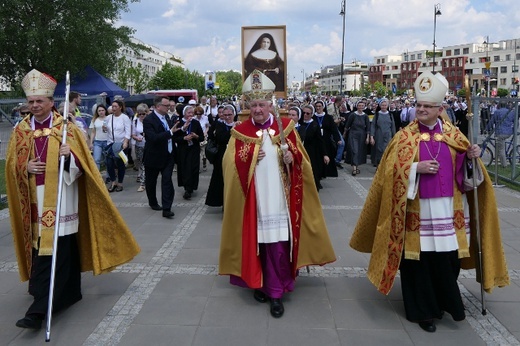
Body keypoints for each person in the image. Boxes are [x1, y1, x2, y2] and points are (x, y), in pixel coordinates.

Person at [349, 71, 509, 333]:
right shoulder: (404, 138)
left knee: (447, 261)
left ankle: (445, 303)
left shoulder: (455, 136)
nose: (421, 110)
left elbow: (468, 180)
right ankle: (423, 312)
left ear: (440, 109)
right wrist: (414, 169)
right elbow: (388, 174)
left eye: (427, 106)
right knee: (418, 263)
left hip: (449, 210)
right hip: (418, 212)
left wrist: (471, 158)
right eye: (418, 105)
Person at [6, 69, 140, 330]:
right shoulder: (20, 130)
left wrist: (71, 157)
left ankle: (39, 311)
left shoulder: (67, 129)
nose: (34, 106)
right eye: (31, 102)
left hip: (61, 198)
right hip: (33, 199)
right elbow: (12, 164)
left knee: (57, 248)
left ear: (50, 103)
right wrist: (24, 168)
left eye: (39, 101)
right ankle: (64, 292)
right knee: (42, 248)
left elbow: (86, 166)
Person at [219, 70, 336, 318]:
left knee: (279, 246)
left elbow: (303, 163)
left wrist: (290, 157)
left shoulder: (286, 129)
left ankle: (276, 292)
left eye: (262, 104)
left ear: (271, 105)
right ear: (248, 106)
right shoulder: (240, 131)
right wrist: (249, 157)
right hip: (255, 200)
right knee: (258, 243)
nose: (258, 110)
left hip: (280, 201)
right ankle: (260, 283)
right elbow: (227, 165)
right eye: (254, 105)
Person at [142, 96, 178, 218]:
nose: (169, 107)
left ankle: (167, 208)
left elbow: (171, 133)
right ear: (158, 106)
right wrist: (170, 133)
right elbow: (153, 138)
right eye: (166, 105)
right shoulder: (148, 120)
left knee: (167, 180)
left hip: (168, 155)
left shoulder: (166, 117)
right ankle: (152, 202)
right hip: (153, 156)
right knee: (151, 182)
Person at [205, 105, 240, 207]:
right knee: (221, 180)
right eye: (225, 115)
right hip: (222, 155)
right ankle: (224, 203)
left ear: (234, 114)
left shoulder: (239, 124)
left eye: (230, 115)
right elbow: (221, 138)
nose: (227, 117)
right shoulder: (219, 125)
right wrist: (232, 130)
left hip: (236, 155)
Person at [173, 104, 204, 200]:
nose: (191, 114)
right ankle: (187, 188)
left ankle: (192, 187)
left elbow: (202, 137)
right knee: (185, 168)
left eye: (192, 113)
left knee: (194, 168)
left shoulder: (195, 123)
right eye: (189, 112)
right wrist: (184, 138)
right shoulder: (178, 123)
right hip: (183, 149)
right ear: (184, 113)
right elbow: (175, 138)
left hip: (194, 148)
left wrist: (196, 136)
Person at [299, 104, 330, 190]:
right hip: (300, 150)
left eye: (308, 113)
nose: (305, 115)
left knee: (312, 169)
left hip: (311, 151)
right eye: (304, 113)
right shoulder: (299, 123)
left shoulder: (314, 125)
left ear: (312, 114)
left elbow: (320, 140)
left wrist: (325, 154)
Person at [105, 99, 131, 192]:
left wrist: (125, 142)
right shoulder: (109, 118)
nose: (114, 108)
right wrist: (104, 129)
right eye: (113, 106)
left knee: (120, 164)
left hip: (121, 144)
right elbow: (106, 130)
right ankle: (113, 182)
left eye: (116, 106)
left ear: (120, 107)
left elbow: (128, 131)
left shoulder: (125, 118)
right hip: (110, 143)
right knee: (109, 163)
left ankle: (120, 183)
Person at [313, 100, 340, 178]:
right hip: (316, 140)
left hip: (326, 139)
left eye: (320, 106)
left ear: (323, 107)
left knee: (327, 155)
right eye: (317, 106)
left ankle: (326, 172)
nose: (318, 108)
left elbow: (334, 129)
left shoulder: (328, 117)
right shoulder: (313, 117)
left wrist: (337, 139)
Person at [344, 100, 370, 175]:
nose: (360, 107)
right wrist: (344, 134)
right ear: (357, 106)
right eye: (359, 106)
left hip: (362, 135)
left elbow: (368, 128)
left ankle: (356, 166)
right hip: (353, 134)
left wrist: (367, 137)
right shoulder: (353, 115)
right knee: (354, 150)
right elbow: (347, 125)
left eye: (362, 106)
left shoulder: (365, 116)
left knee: (359, 151)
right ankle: (354, 169)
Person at [486, 102, 514, 167]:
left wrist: (486, 129)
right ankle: (497, 160)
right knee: (499, 145)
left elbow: (492, 121)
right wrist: (513, 130)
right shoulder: (510, 112)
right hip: (508, 132)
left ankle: (504, 165)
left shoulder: (497, 112)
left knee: (501, 149)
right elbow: (515, 121)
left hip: (500, 132)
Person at [369, 99, 396, 168]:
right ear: (380, 106)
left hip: (388, 135)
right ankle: (379, 166)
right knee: (379, 150)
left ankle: (385, 166)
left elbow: (393, 126)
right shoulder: (377, 114)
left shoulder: (390, 115)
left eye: (385, 105)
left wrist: (394, 137)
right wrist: (372, 137)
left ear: (387, 106)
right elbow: (373, 126)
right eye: (382, 105)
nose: (384, 107)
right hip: (379, 135)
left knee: (387, 150)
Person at [132, 103, 148, 192]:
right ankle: (144, 180)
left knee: (145, 164)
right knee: (141, 163)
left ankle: (143, 183)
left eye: (143, 114)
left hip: (148, 145)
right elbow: (133, 134)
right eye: (139, 114)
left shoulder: (149, 121)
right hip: (139, 145)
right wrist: (136, 138)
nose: (141, 115)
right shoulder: (135, 121)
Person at [89, 104, 109, 170]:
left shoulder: (109, 118)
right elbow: (93, 132)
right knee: (96, 160)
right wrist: (91, 142)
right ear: (97, 112)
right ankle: (98, 177)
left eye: (102, 110)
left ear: (105, 111)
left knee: (108, 160)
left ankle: (109, 177)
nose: (101, 112)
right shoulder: (94, 120)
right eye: (99, 111)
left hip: (107, 141)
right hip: (97, 142)